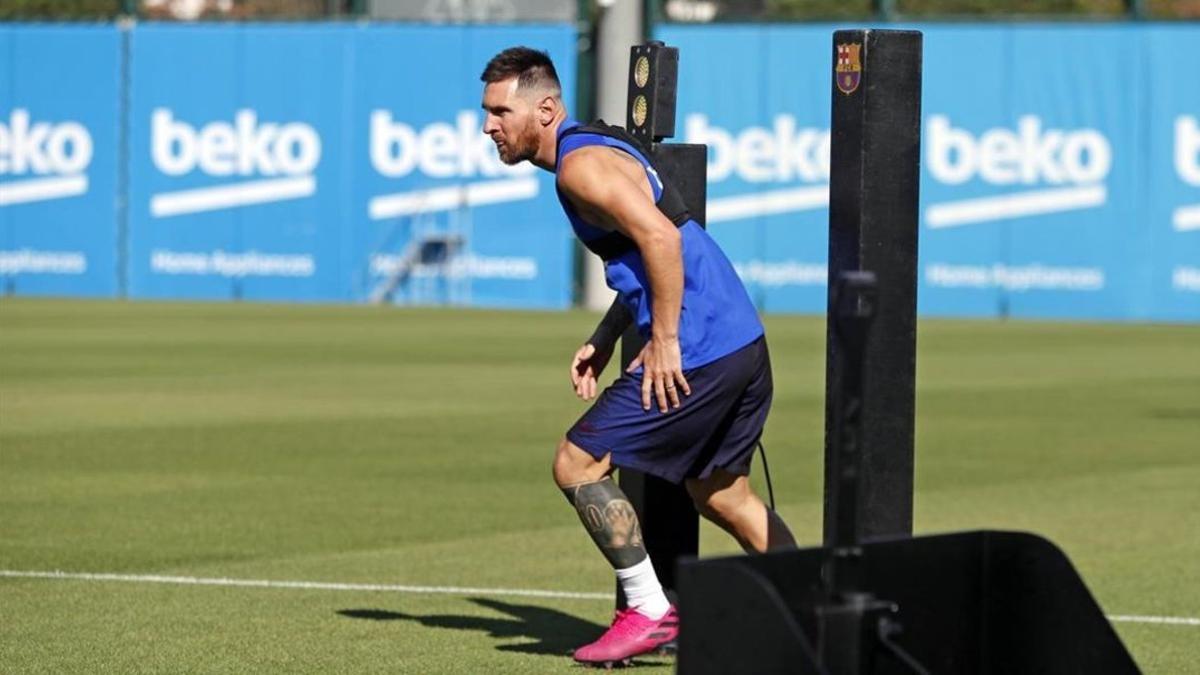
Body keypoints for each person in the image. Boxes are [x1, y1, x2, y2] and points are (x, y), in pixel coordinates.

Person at [479, 46, 796, 666]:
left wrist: (665, 341)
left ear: (544, 109)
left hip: (698, 347)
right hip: (740, 339)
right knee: (723, 496)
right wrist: (608, 334)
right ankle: (822, 606)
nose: (489, 126)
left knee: (576, 463)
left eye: (498, 111)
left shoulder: (578, 171)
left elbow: (659, 238)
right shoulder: (596, 144)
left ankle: (649, 609)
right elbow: (647, 252)